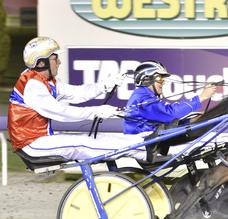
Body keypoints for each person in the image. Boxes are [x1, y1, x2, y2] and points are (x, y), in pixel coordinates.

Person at [7, 36, 145, 161]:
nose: (59, 62)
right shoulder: (33, 86)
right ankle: (145, 152)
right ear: (42, 63)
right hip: (31, 143)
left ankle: (144, 144)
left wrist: (105, 85)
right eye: (55, 59)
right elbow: (61, 112)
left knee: (98, 138)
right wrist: (96, 111)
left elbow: (77, 93)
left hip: (41, 138)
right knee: (85, 144)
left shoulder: (46, 80)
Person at [123, 60, 225, 157]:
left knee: (202, 119)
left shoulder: (144, 95)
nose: (163, 82)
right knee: (199, 122)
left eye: (163, 79)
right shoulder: (142, 98)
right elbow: (171, 114)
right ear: (146, 79)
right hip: (146, 141)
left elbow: (168, 115)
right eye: (159, 78)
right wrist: (201, 97)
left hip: (153, 135)